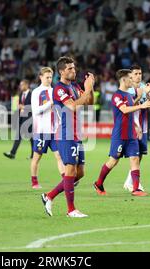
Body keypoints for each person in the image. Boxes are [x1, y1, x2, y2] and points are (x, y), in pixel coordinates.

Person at [40, 56, 94, 218]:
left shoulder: (76, 86)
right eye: (70, 68)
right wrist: (87, 89)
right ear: (62, 71)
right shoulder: (59, 89)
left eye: (74, 67)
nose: (74, 70)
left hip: (76, 134)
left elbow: (89, 102)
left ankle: (48, 196)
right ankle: (71, 210)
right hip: (65, 134)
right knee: (70, 170)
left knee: (80, 173)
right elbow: (72, 106)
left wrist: (90, 88)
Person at [93, 69, 150, 197]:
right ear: (124, 80)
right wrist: (141, 106)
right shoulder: (117, 96)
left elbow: (132, 108)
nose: (133, 80)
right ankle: (98, 183)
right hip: (120, 135)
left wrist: (137, 126)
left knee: (135, 159)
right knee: (113, 161)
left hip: (131, 134)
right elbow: (125, 110)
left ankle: (136, 189)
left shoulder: (129, 96)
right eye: (130, 78)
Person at [30, 67, 64, 189]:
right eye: (47, 77)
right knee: (37, 157)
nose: (49, 79)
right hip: (41, 131)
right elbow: (36, 111)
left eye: (51, 77)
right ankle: (34, 182)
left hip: (54, 131)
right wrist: (50, 103)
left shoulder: (55, 91)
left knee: (59, 156)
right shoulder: (36, 92)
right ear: (41, 77)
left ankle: (65, 179)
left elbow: (58, 110)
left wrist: (60, 120)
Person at [122, 65, 150, 192]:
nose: (138, 76)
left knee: (140, 155)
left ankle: (129, 181)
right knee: (132, 156)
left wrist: (148, 95)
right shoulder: (128, 90)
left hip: (143, 126)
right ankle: (135, 183)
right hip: (132, 125)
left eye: (140, 73)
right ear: (130, 75)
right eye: (135, 73)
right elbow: (128, 108)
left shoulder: (144, 87)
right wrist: (141, 96)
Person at [3, 79, 33, 159]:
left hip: (30, 119)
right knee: (19, 136)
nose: (20, 86)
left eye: (22, 85)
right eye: (20, 85)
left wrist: (23, 107)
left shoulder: (32, 94)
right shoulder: (20, 95)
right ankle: (13, 153)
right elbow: (16, 107)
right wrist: (15, 107)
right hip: (21, 118)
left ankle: (33, 155)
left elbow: (35, 107)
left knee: (31, 138)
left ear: (27, 85)